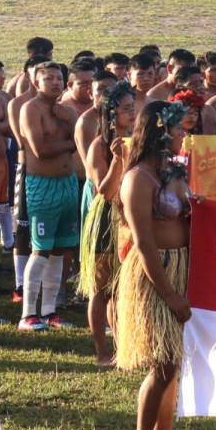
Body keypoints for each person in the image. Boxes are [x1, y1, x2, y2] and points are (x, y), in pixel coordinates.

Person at [116, 101, 195, 430]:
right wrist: (169, 294)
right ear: (162, 132)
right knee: (162, 363)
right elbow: (144, 243)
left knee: (173, 364)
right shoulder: (137, 179)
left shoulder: (175, 174)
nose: (184, 136)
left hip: (182, 267)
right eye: (179, 130)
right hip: (156, 273)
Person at [78, 80, 137, 368]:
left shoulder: (138, 139)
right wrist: (117, 160)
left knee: (123, 287)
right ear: (112, 114)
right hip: (107, 217)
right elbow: (105, 190)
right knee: (103, 289)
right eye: (126, 109)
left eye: (133, 107)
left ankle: (123, 347)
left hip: (133, 216)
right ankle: (103, 352)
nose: (133, 113)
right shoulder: (98, 145)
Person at [18, 61, 79, 330]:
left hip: (67, 185)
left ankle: (50, 310)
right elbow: (40, 149)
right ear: (36, 82)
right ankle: (28, 314)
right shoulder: (30, 108)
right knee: (40, 249)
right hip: (42, 186)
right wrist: (73, 143)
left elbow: (83, 136)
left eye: (59, 78)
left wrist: (71, 121)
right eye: (49, 78)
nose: (55, 82)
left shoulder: (66, 110)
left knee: (60, 249)